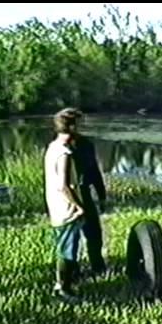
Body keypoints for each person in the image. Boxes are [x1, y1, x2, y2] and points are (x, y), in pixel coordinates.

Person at [44, 108, 85, 299]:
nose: (81, 128)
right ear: (71, 126)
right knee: (68, 251)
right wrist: (79, 206)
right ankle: (63, 289)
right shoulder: (64, 153)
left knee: (64, 247)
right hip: (66, 210)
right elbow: (64, 185)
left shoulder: (53, 147)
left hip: (56, 207)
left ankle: (64, 284)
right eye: (79, 124)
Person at [69, 115, 108, 276]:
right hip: (68, 194)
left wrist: (102, 195)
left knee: (94, 233)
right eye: (77, 124)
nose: (80, 127)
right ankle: (72, 272)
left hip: (84, 192)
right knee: (72, 236)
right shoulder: (60, 147)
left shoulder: (86, 144)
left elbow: (94, 171)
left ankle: (97, 267)